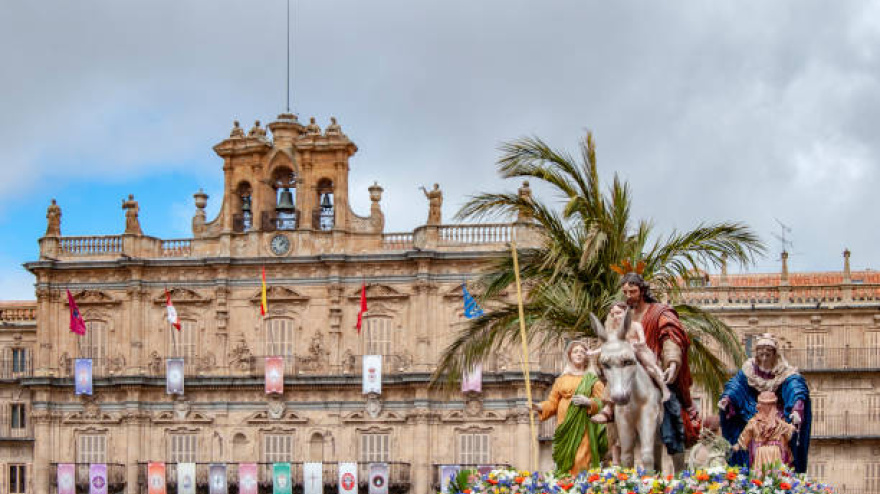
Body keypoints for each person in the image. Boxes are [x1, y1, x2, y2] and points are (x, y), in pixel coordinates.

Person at [619, 272, 698, 469]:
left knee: (672, 414)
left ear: (642, 290)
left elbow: (671, 336)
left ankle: (679, 470)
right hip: (628, 374)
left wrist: (672, 362)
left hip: (656, 371)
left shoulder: (660, 312)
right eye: (625, 292)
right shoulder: (623, 316)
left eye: (632, 291)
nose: (628, 296)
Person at [718, 333, 811, 473]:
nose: (764, 357)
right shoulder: (749, 370)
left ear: (774, 354)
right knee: (754, 457)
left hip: (779, 419)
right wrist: (727, 399)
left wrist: (797, 408)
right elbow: (736, 386)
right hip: (752, 415)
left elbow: (796, 388)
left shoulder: (784, 372)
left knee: (781, 461)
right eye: (761, 353)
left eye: (768, 353)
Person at [533, 340, 607, 475]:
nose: (579, 354)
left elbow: (603, 402)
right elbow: (552, 403)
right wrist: (538, 406)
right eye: (575, 351)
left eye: (582, 352)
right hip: (564, 426)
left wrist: (588, 402)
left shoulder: (593, 380)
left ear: (586, 357)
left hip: (583, 426)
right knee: (564, 461)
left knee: (580, 459)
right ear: (569, 355)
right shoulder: (561, 380)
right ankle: (565, 484)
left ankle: (580, 484)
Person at [592, 302, 671, 424]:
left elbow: (642, 341)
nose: (616, 316)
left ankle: (664, 389)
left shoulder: (635, 325)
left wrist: (634, 344)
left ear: (626, 313)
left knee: (651, 368)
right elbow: (608, 347)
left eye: (618, 313)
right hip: (624, 357)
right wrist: (593, 352)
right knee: (615, 375)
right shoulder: (613, 331)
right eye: (613, 314)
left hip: (638, 350)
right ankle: (608, 408)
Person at [732, 391, 796, 476]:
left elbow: (744, 438)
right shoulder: (779, 423)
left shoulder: (755, 422)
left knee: (764, 477)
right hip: (774, 452)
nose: (758, 406)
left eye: (760, 403)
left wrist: (737, 446)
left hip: (761, 453)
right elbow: (790, 432)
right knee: (774, 477)